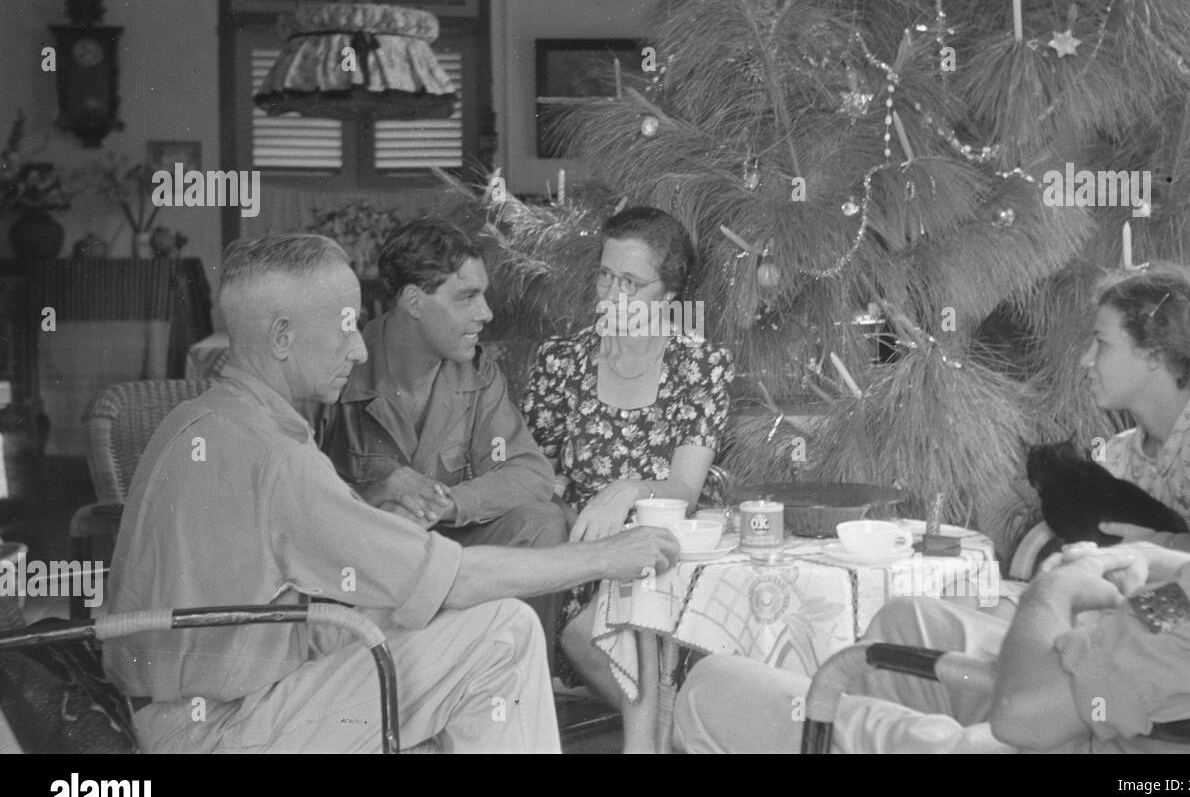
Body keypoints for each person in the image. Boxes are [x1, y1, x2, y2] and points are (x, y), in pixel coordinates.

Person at [675, 259, 1190, 754]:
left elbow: (1025, 717)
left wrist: (1056, 593)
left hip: (1070, 736)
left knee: (713, 687)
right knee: (902, 627)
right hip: (1107, 705)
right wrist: (1145, 562)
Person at [102, 233, 678, 753]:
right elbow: (456, 580)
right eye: (346, 325)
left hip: (174, 712)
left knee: (455, 630)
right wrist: (609, 556)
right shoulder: (278, 456)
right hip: (225, 730)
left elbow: (273, 597)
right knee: (504, 632)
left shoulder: (189, 421)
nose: (358, 349)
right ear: (282, 336)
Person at [522, 206, 734, 753]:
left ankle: (674, 740)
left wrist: (627, 490)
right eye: (604, 275)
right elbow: (536, 474)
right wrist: (569, 509)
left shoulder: (700, 365)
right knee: (581, 630)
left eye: (631, 283)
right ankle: (689, 739)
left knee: (609, 628)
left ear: (669, 295)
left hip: (668, 551)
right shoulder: (561, 361)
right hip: (582, 548)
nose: (611, 295)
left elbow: (685, 490)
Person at [316, 217, 566, 665]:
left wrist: (443, 502)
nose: (486, 313)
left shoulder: (475, 372)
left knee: (541, 522)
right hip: (357, 566)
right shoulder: (341, 367)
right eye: (467, 297)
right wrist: (379, 495)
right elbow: (297, 500)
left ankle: (517, 681)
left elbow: (530, 472)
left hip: (438, 553)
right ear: (414, 301)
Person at [1081, 265, 1190, 549]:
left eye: (1101, 343)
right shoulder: (1114, 459)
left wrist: (1166, 544)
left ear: (1154, 353)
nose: (1085, 360)